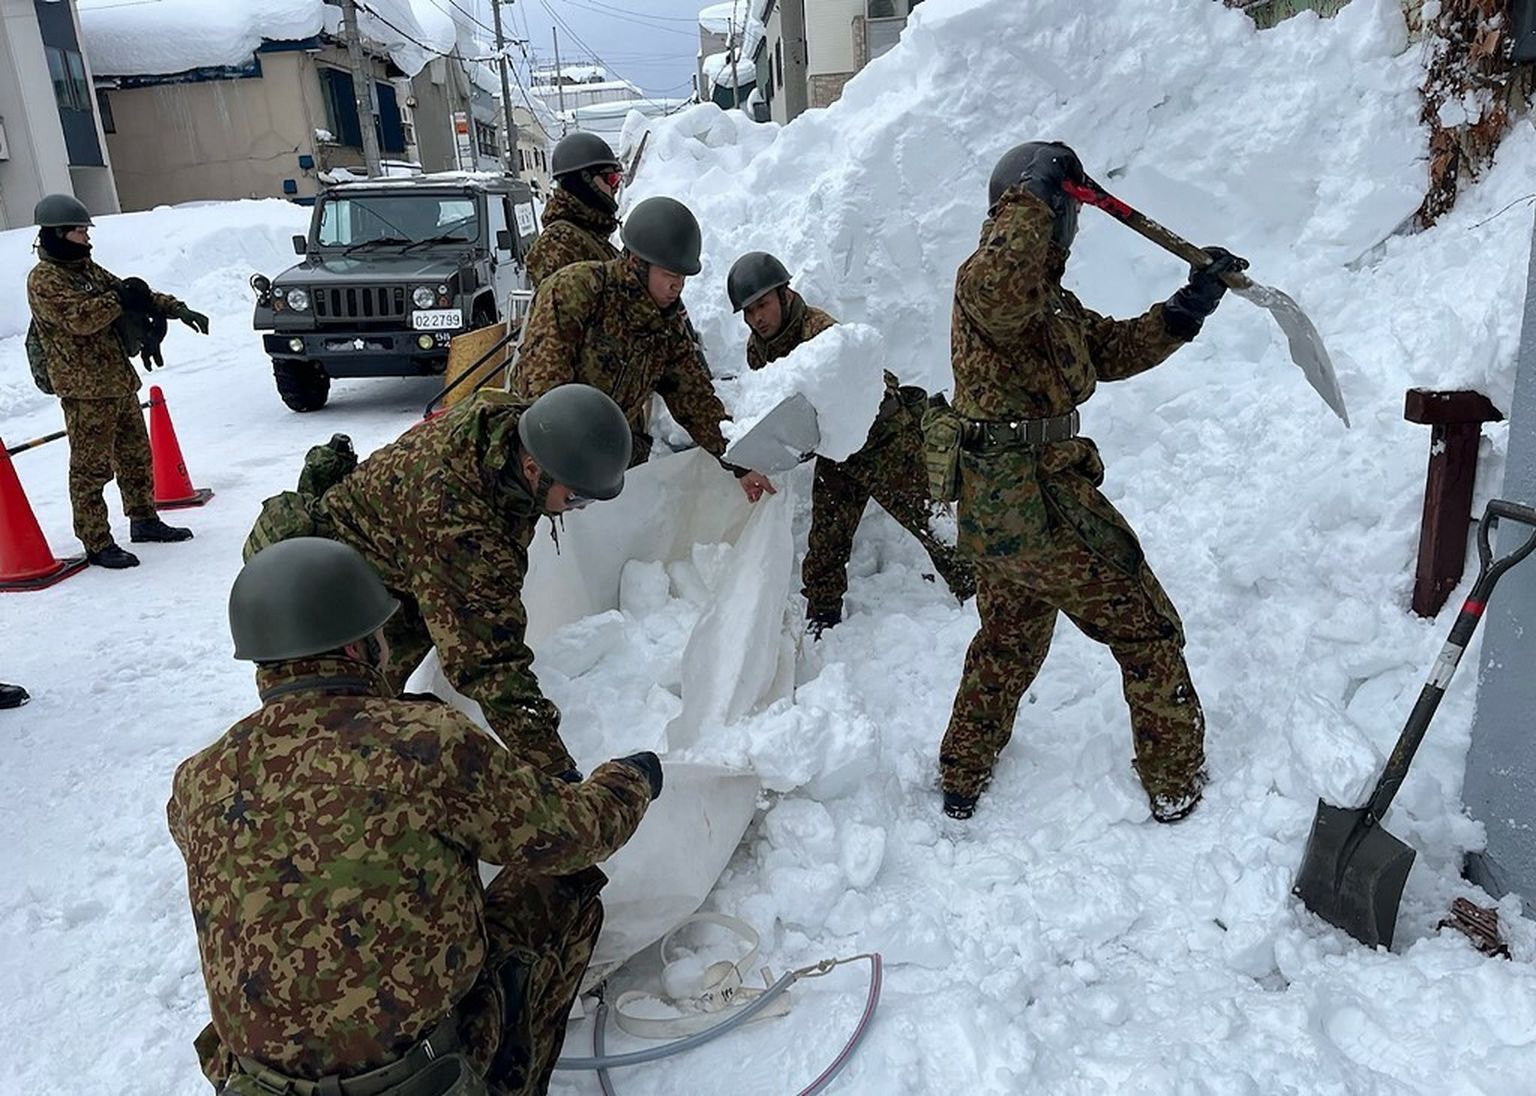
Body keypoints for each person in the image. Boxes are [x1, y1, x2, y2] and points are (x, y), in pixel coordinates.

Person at [169, 537, 660, 1096]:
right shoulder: (426, 744)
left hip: (258, 1083)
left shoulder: (198, 779)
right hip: (422, 1075)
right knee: (559, 881)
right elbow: (576, 833)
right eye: (382, 634)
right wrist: (632, 779)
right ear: (357, 649)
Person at [937, 141, 1246, 823]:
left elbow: (1107, 350)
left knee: (1009, 639)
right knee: (1147, 628)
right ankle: (1174, 778)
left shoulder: (1048, 303)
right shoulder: (987, 285)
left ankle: (961, 773)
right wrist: (1033, 193)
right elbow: (1000, 288)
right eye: (1055, 209)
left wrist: (1187, 308)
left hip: (1003, 510)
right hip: (1037, 501)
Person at [244, 384, 633, 778]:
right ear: (533, 469)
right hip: (342, 591)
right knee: (349, 718)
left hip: (402, 555)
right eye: (575, 499)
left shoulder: (508, 424)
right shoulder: (460, 524)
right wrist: (559, 774)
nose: (579, 510)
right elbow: (488, 663)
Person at [727, 251, 975, 638]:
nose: (758, 317)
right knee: (826, 541)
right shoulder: (757, 351)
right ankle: (822, 616)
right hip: (837, 448)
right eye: (749, 311)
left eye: (763, 304)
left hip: (883, 438)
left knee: (931, 521)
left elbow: (846, 392)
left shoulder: (820, 331)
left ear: (785, 295)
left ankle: (980, 595)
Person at [514, 195, 776, 503]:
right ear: (637, 263)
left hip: (602, 463)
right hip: (543, 460)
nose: (678, 286)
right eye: (670, 275)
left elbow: (694, 400)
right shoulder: (577, 291)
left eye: (682, 277)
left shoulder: (666, 327)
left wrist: (739, 464)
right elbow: (542, 389)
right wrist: (556, 469)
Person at [25, 193, 209, 569]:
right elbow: (80, 319)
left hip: (118, 381)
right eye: (80, 231)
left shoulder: (87, 269)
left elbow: (132, 292)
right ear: (58, 233)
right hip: (85, 390)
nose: (87, 237)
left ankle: (144, 520)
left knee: (136, 457)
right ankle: (97, 542)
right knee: (91, 469)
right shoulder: (45, 279)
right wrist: (119, 299)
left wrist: (175, 308)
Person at [526, 132, 623, 289]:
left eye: (617, 178)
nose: (616, 186)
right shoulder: (558, 244)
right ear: (583, 181)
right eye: (611, 178)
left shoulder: (588, 233)